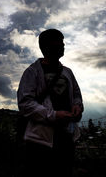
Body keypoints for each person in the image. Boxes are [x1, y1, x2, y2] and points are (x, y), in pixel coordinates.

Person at [17, 29, 83, 177]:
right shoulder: (32, 72)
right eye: (59, 41)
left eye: (63, 41)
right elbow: (25, 104)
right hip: (40, 141)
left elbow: (77, 95)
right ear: (47, 46)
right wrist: (53, 115)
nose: (63, 45)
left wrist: (77, 106)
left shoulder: (68, 72)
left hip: (67, 137)